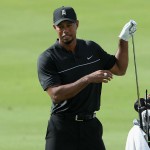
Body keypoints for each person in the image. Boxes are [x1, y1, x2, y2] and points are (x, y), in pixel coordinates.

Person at [37, 6, 137, 150]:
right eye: (60, 26)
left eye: (69, 25)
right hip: (62, 129)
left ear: (77, 24)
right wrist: (88, 78)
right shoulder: (48, 58)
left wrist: (123, 40)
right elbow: (56, 95)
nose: (65, 30)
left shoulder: (91, 48)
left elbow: (120, 69)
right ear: (54, 28)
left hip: (90, 127)